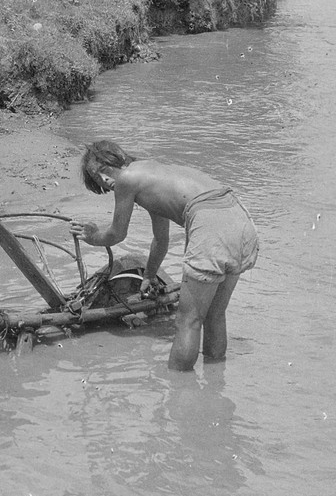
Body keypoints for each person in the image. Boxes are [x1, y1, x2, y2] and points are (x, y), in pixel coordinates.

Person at [69, 140, 258, 371]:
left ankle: (179, 392)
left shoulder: (126, 180)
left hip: (209, 222)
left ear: (109, 169)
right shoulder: (152, 174)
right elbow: (161, 239)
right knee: (215, 314)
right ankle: (214, 384)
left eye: (103, 177)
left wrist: (92, 236)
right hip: (238, 217)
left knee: (187, 321)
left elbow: (116, 234)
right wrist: (148, 275)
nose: (107, 183)